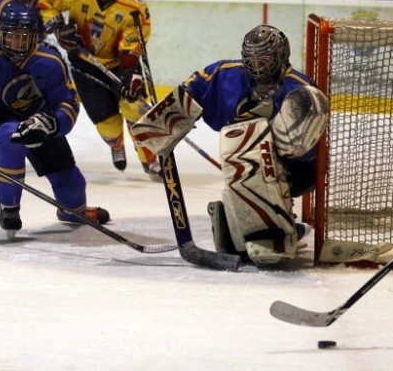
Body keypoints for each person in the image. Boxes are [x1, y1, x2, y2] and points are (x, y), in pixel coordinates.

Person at [132, 24, 329, 266]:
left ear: (281, 56)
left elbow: (309, 146)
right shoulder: (224, 74)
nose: (258, 65)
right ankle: (232, 221)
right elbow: (192, 89)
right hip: (248, 157)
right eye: (252, 59)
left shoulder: (298, 88)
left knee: (255, 160)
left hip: (297, 168)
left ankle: (273, 231)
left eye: (264, 58)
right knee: (245, 158)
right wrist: (164, 119)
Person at [0, 0, 110, 240]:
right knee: (10, 138)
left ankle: (73, 211)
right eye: (13, 36)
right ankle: (9, 209)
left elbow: (69, 103)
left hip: (39, 122)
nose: (19, 42)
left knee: (72, 188)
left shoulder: (50, 61)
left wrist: (52, 125)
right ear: (1, 35)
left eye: (25, 36)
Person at [37, 0, 161, 181]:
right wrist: (57, 26)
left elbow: (135, 38)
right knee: (107, 123)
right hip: (84, 64)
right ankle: (116, 144)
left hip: (120, 64)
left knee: (135, 109)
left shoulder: (134, 6)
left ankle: (150, 159)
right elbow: (44, 1)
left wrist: (130, 68)